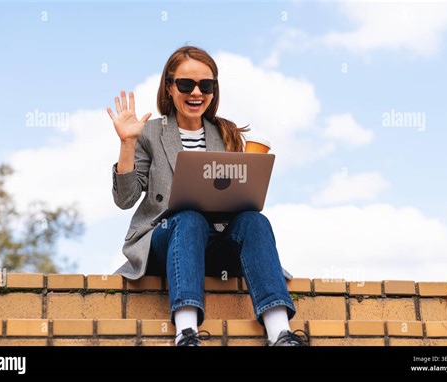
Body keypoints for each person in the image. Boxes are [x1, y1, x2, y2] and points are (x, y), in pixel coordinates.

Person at [107, 46, 307, 346]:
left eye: (206, 85)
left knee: (255, 220)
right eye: (186, 84)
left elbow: (239, 195)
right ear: (170, 87)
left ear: (214, 90)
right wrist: (127, 143)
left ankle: (280, 332)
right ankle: (186, 333)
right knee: (188, 218)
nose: (196, 92)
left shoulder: (226, 134)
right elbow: (125, 199)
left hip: (217, 241)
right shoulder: (147, 133)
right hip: (168, 241)